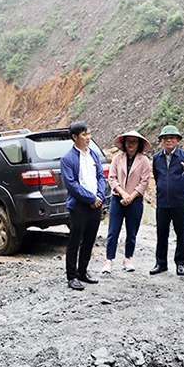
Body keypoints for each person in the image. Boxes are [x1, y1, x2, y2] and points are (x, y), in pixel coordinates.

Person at [60, 121, 107, 291]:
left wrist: (100, 196)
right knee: (75, 240)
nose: (88, 138)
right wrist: (90, 198)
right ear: (74, 137)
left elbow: (101, 177)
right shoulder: (68, 159)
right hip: (80, 206)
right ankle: (71, 276)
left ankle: (83, 272)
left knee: (89, 240)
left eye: (89, 134)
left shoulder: (93, 155)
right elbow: (72, 184)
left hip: (96, 203)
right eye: (84, 135)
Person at [102, 130, 152, 273]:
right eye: (128, 141)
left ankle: (128, 258)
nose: (131, 144)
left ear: (139, 144)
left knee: (132, 232)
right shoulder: (118, 159)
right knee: (113, 231)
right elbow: (112, 178)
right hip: (118, 199)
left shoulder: (144, 161)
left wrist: (131, 196)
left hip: (135, 200)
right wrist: (123, 194)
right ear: (124, 143)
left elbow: (144, 182)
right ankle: (109, 260)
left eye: (134, 141)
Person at [150, 124, 184, 276]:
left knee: (181, 234)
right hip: (162, 202)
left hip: (180, 202)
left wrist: (183, 186)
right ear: (161, 141)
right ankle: (161, 263)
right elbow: (157, 176)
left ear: (178, 140)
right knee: (161, 234)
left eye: (172, 138)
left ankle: (180, 263)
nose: (169, 140)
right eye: (165, 138)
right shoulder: (156, 158)